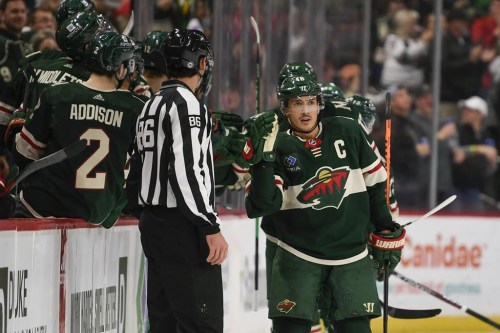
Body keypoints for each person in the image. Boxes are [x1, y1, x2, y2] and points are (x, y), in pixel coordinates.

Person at [245, 74, 405, 333]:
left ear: (320, 104)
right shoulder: (278, 144)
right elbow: (262, 207)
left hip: (350, 257)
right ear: (285, 108)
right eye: (297, 104)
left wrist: (384, 227)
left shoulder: (348, 130)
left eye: (310, 102)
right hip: (297, 256)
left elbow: (376, 184)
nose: (306, 110)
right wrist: (262, 159)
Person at [134, 28, 228, 332]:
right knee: (202, 323)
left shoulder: (151, 104)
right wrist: (207, 225)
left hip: (153, 224)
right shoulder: (187, 104)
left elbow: (137, 169)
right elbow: (186, 170)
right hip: (183, 228)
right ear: (200, 64)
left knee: (165, 322)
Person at [11, 31, 144, 226]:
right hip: (98, 214)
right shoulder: (136, 108)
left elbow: (25, 152)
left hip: (42, 206)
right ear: (121, 68)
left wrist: (20, 120)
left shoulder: (57, 94)